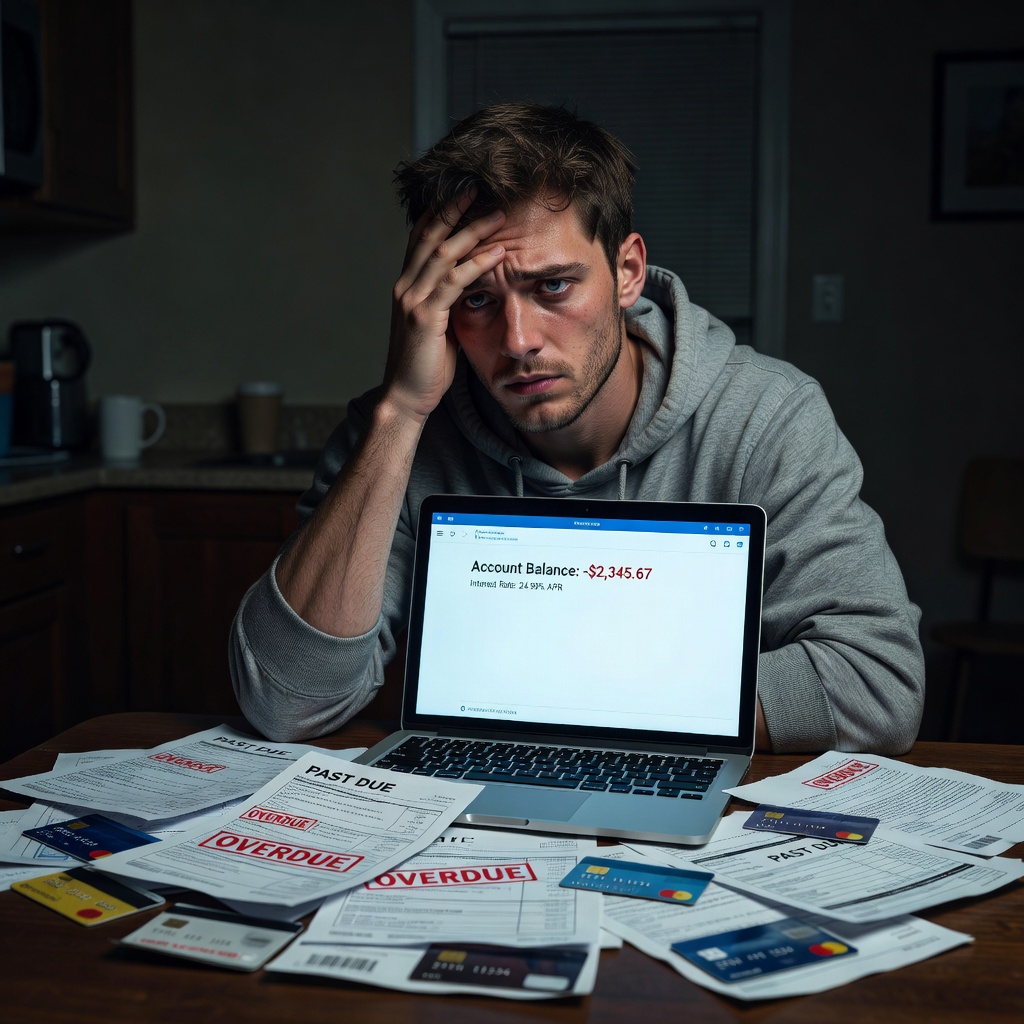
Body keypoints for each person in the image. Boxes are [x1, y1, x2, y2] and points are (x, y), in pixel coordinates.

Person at [230, 102, 925, 754]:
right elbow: (288, 701)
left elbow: (877, 682)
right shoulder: (390, 436)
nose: (519, 339)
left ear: (627, 271)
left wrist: (551, 703)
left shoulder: (766, 417)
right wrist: (400, 414)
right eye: (475, 298)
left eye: (552, 286)